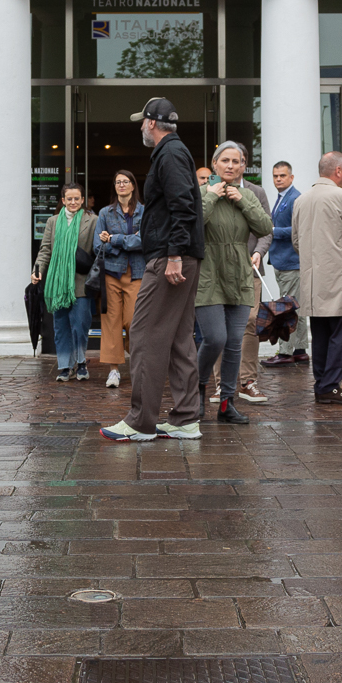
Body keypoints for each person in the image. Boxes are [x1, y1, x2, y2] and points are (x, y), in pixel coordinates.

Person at [101, 97, 204, 442]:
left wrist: (173, 255)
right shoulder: (174, 151)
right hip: (179, 255)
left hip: (170, 257)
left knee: (143, 334)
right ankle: (186, 417)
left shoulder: (170, 153)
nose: (139, 128)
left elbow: (183, 206)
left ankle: (140, 422)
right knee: (177, 338)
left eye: (140, 122)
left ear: (150, 123)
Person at [196, 142, 273, 425]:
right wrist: (211, 196)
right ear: (215, 163)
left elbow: (265, 227)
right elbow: (191, 226)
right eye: (225, 161)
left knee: (234, 343)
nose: (230, 166)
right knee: (215, 338)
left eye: (236, 161)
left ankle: (227, 403)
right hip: (208, 275)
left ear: (243, 166)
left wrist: (241, 199)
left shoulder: (249, 194)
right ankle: (198, 389)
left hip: (240, 276)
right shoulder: (201, 193)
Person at [291, 152, 342, 405]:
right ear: (339, 172)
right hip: (338, 277)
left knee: (321, 332)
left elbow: (296, 241)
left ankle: (322, 384)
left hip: (312, 279)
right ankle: (330, 386)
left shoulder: (301, 199)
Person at [33, 180, 98, 383]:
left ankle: (81, 364)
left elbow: (97, 251)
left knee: (79, 325)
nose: (73, 202)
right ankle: (64, 366)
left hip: (80, 282)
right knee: (61, 327)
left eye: (76, 199)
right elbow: (45, 250)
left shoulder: (92, 220)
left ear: (82, 200)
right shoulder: (53, 222)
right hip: (57, 283)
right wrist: (37, 270)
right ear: (63, 200)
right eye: (69, 199)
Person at [96, 171, 144, 390]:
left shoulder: (145, 211)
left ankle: (138, 366)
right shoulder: (105, 213)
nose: (121, 185)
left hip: (137, 273)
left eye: (126, 182)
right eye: (118, 182)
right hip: (111, 274)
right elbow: (98, 246)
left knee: (134, 322)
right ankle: (113, 370)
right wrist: (128, 242)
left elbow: (145, 241)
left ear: (133, 186)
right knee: (111, 322)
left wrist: (114, 239)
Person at [260, 161, 309, 369]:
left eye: (282, 175)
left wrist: (273, 231)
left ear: (291, 177)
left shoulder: (295, 198)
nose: (278, 179)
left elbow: (298, 230)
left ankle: (286, 352)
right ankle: (299, 350)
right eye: (275, 176)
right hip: (284, 261)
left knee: (287, 309)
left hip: (291, 262)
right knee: (296, 307)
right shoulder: (282, 198)